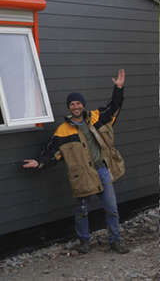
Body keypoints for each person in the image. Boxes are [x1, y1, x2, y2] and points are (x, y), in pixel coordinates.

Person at [22, 69, 130, 254]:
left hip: (102, 171)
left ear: (83, 105)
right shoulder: (62, 131)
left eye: (78, 103)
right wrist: (38, 162)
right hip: (81, 176)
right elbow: (52, 151)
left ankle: (115, 241)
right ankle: (84, 242)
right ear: (69, 107)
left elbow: (114, 107)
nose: (75, 106)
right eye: (72, 104)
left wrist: (118, 88)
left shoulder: (96, 117)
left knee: (112, 209)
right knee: (81, 211)